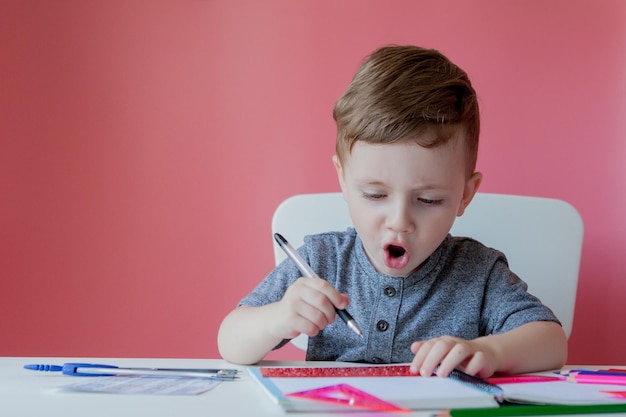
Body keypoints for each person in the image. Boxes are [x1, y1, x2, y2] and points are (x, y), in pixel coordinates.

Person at [217, 45, 567, 378]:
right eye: (374, 194)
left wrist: (491, 352)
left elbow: (551, 342)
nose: (400, 221)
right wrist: (276, 318)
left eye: (428, 200)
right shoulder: (322, 260)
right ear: (343, 179)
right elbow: (230, 340)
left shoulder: (478, 272)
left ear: (465, 195)